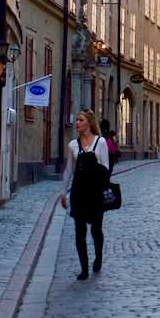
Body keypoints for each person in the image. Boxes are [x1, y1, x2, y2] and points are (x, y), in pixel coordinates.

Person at [60, 109, 110, 280]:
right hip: (79, 192)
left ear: (89, 122)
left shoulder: (101, 142)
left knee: (96, 230)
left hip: (95, 193)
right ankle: (84, 268)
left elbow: (106, 168)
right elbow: (68, 170)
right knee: (79, 231)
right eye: (76, 120)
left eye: (80, 120)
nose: (77, 123)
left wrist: (103, 186)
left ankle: (98, 257)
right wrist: (63, 193)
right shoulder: (73, 145)